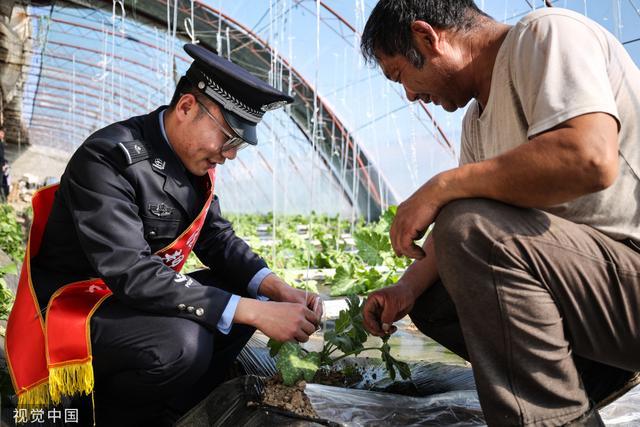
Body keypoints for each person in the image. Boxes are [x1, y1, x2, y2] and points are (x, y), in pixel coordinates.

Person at [6, 44, 322, 426]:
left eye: (238, 144)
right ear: (187, 107)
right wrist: (255, 312)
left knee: (247, 289)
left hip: (128, 300)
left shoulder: (192, 162)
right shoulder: (109, 158)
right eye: (228, 137)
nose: (230, 154)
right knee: (180, 343)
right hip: (76, 306)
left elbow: (217, 239)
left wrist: (276, 290)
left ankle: (175, 407)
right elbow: (131, 273)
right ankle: (108, 414)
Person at [359, 1, 640, 425]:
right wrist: (404, 289)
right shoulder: (476, 120)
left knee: (467, 227)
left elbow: (590, 157)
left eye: (401, 75)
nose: (411, 96)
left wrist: (441, 186)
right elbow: (464, 232)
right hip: (600, 288)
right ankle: (593, 380)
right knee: (433, 299)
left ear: (427, 37)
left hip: (629, 271)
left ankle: (556, 418)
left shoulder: (546, 34)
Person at [0, 127, 9, 201]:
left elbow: (2, 156)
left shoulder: (2, 143)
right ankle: (3, 200)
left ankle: (3, 200)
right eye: (1, 133)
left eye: (3, 134)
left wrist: (5, 163)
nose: (2, 135)